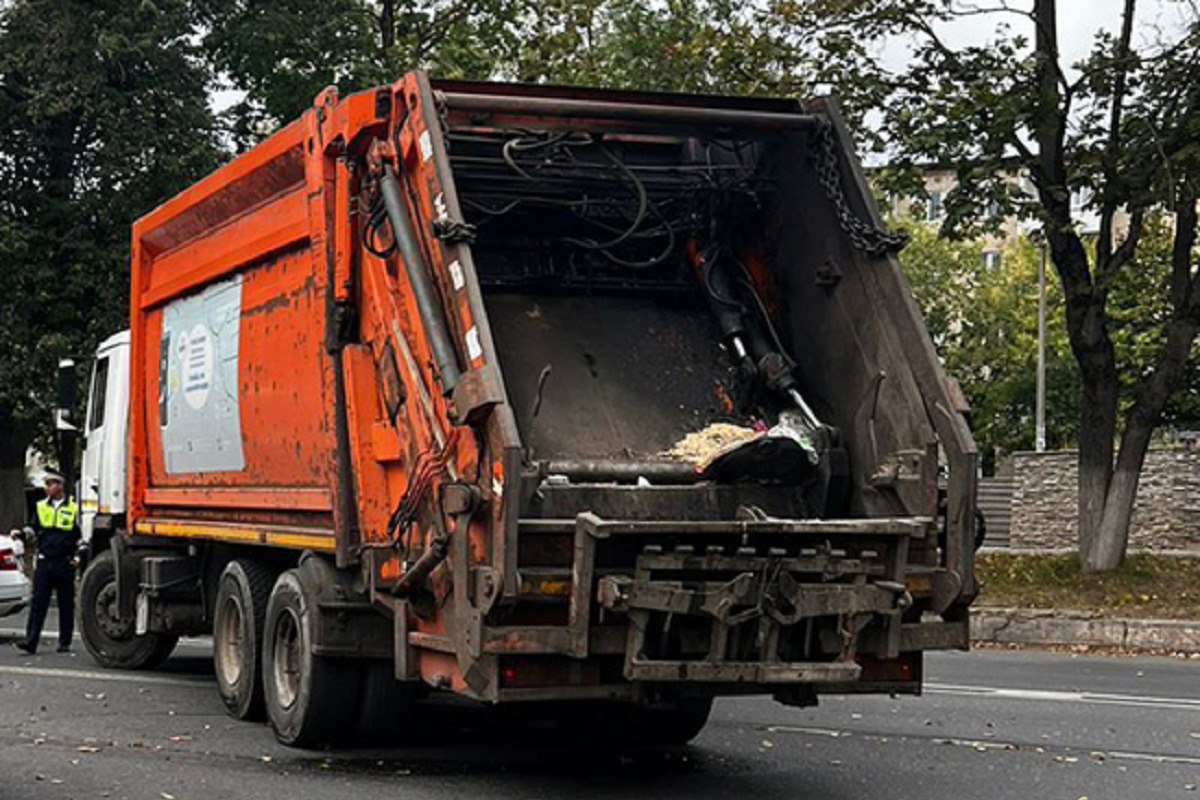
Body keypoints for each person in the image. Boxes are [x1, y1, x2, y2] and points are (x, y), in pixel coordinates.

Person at [14, 470, 80, 655]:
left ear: (60, 486)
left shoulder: (73, 507)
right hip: (45, 560)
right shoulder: (41, 505)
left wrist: (78, 555)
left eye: (52, 484)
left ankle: (64, 641)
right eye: (47, 484)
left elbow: (79, 533)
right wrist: (21, 533)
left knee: (66, 603)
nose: (48, 487)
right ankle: (30, 641)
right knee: (38, 603)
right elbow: (33, 527)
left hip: (64, 561)